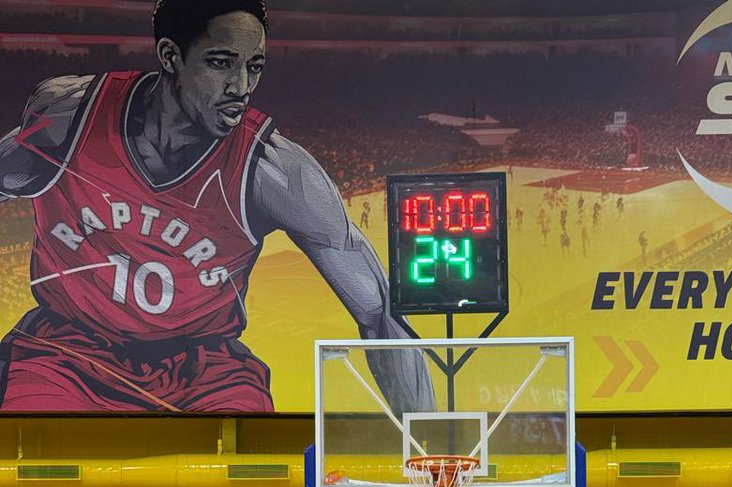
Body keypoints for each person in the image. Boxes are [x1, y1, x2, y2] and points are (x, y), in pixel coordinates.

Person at [0, 0, 431, 414]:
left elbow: (379, 314)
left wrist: (427, 440)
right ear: (170, 56)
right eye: (221, 62)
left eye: (254, 67)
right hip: (66, 354)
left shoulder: (274, 172)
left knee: (254, 456)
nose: (240, 87)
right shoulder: (72, 119)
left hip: (205, 371)